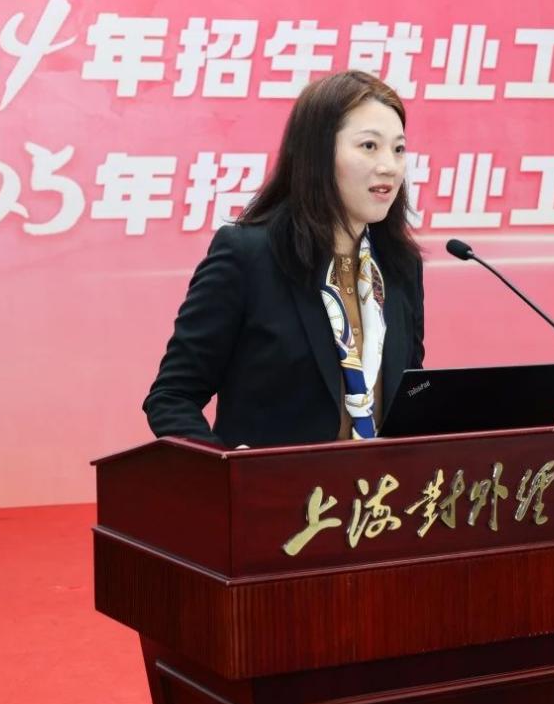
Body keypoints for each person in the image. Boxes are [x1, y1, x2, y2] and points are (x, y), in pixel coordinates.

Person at [143, 70, 425, 448]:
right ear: (317, 153)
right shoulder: (248, 256)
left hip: (378, 486)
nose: (389, 166)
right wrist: (229, 469)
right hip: (275, 486)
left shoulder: (399, 265)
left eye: (399, 149)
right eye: (369, 146)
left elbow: (412, 391)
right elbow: (172, 397)